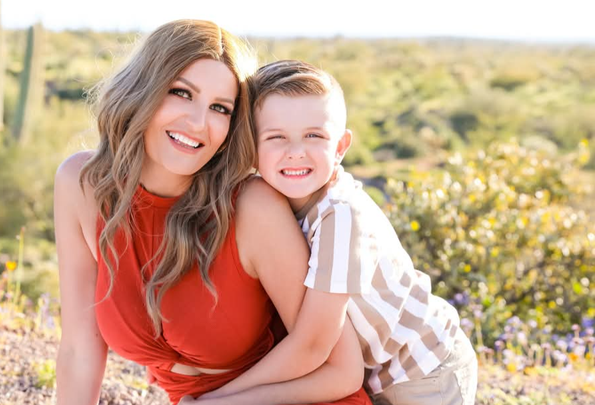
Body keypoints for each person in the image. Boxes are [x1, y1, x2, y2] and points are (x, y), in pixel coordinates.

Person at [53, 20, 371, 405]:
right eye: (181, 93)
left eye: (220, 108)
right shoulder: (82, 185)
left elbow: (340, 370)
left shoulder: (251, 207)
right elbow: (79, 350)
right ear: (143, 88)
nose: (198, 123)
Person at [189, 60, 478, 405]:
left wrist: (220, 398)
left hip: (425, 368)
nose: (296, 152)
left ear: (340, 147)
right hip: (375, 371)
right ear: (251, 148)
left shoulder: (340, 217)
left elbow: (313, 345)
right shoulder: (269, 204)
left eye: (314, 136)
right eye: (276, 137)